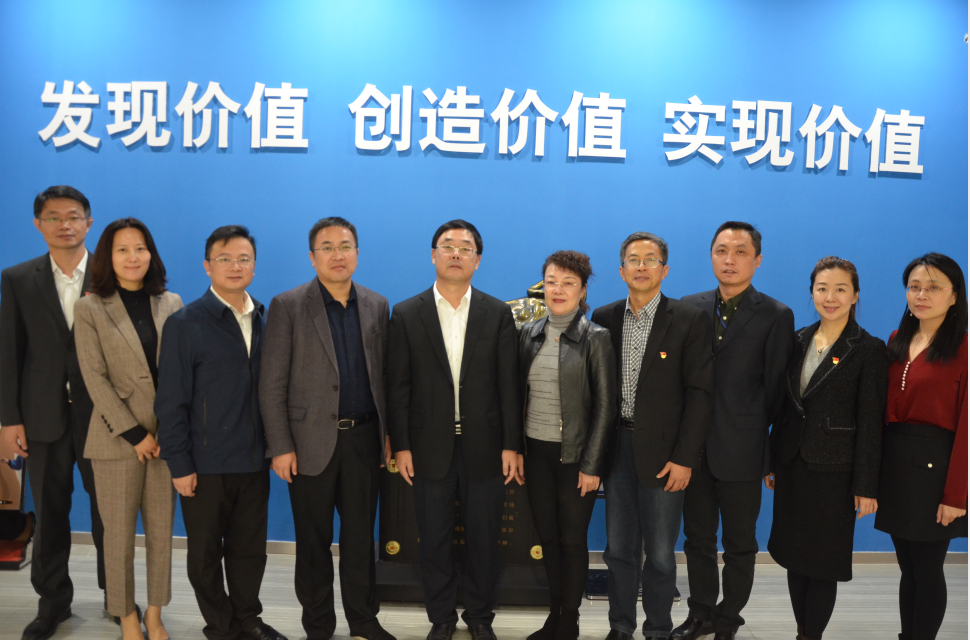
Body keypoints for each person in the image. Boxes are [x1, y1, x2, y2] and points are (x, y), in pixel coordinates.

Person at [387, 220, 522, 640]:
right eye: (448, 246)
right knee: (434, 539)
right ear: (433, 255)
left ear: (477, 260)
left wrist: (512, 444)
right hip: (428, 446)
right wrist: (402, 445)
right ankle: (441, 618)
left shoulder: (496, 313)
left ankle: (480, 617)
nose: (456, 253)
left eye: (466, 248)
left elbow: (509, 385)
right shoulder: (406, 313)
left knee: (484, 539)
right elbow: (398, 386)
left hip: (487, 446)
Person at [260, 217, 395, 640]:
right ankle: (318, 625)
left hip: (364, 440)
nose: (338, 255)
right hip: (307, 444)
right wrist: (280, 445)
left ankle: (364, 622)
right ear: (312, 256)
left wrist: (388, 435)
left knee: (360, 540)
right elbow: (271, 383)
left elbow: (384, 378)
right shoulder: (288, 305)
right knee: (312, 542)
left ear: (357, 252)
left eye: (346, 246)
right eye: (328, 247)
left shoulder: (377, 304)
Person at [155, 226, 285, 640]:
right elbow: (170, 402)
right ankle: (222, 626)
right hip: (204, 463)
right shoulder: (185, 323)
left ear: (254, 265)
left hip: (254, 461)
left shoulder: (266, 318)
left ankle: (249, 619)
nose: (235, 266)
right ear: (207, 266)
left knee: (249, 551)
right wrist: (179, 463)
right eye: (224, 259)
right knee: (205, 554)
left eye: (244, 258)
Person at [591, 232, 713, 640]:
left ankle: (658, 629)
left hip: (665, 455)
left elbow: (699, 394)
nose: (641, 266)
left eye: (650, 259)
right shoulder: (605, 317)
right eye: (633, 259)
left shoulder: (689, 318)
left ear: (665, 269)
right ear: (621, 269)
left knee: (660, 554)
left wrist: (685, 458)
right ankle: (620, 627)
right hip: (617, 450)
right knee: (619, 550)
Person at [0, 185, 109, 640]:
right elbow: (10, 353)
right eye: (53, 217)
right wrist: (9, 419)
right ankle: (52, 605)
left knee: (111, 517)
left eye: (73, 216)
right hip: (42, 417)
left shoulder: (111, 274)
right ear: (38, 224)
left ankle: (118, 600)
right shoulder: (17, 278)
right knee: (48, 515)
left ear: (88, 222)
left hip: (104, 419)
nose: (64, 224)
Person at [676, 222, 794, 640]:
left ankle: (728, 619)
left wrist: (754, 433)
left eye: (740, 251)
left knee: (740, 544)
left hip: (743, 448)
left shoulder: (776, 314)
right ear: (711, 256)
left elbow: (776, 389)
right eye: (721, 250)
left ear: (757, 260)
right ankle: (701, 614)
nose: (730, 260)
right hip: (693, 450)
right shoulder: (688, 306)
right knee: (697, 539)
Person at [764, 256, 887, 640]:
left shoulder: (867, 348)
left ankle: (810, 636)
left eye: (840, 289)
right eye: (822, 289)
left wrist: (866, 485)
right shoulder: (797, 339)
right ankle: (802, 631)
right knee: (794, 557)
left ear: (855, 295)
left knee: (823, 563)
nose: (830, 297)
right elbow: (785, 407)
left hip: (835, 472)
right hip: (792, 465)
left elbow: (871, 423)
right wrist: (772, 460)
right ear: (812, 293)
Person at [74, 218, 183, 640]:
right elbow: (94, 379)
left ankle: (154, 614)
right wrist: (135, 434)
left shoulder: (171, 302)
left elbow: (181, 372)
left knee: (161, 535)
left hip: (166, 440)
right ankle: (126, 617)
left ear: (150, 254)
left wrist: (169, 430)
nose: (132, 257)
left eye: (140, 248)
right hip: (116, 441)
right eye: (122, 249)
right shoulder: (89, 308)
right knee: (117, 538)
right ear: (108, 256)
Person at [518, 251, 616, 640]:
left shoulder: (596, 338)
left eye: (568, 283)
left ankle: (569, 620)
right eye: (552, 282)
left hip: (576, 458)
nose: (558, 290)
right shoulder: (528, 332)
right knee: (548, 539)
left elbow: (606, 408)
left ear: (582, 290)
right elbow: (516, 396)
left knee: (572, 541)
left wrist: (592, 465)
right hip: (536, 454)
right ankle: (554, 615)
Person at [875, 252, 967, 640]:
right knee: (908, 568)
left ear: (955, 295)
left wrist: (957, 495)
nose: (921, 295)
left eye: (933, 287)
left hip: (937, 470)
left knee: (928, 569)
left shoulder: (964, 347)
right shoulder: (897, 340)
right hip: (897, 466)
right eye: (914, 287)